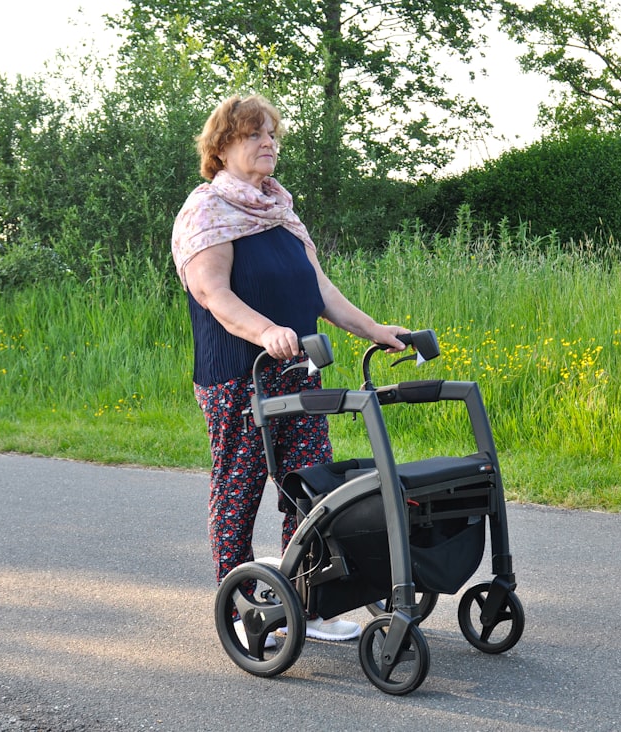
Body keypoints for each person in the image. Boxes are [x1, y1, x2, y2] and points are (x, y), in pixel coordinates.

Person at [171, 94, 408, 642]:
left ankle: (308, 601)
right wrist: (266, 332)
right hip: (239, 374)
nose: (268, 143)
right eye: (254, 134)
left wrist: (376, 330)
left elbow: (320, 290)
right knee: (240, 488)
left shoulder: (280, 209)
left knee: (309, 488)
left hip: (298, 369)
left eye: (272, 134)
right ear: (223, 146)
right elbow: (214, 293)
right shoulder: (207, 210)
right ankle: (244, 611)